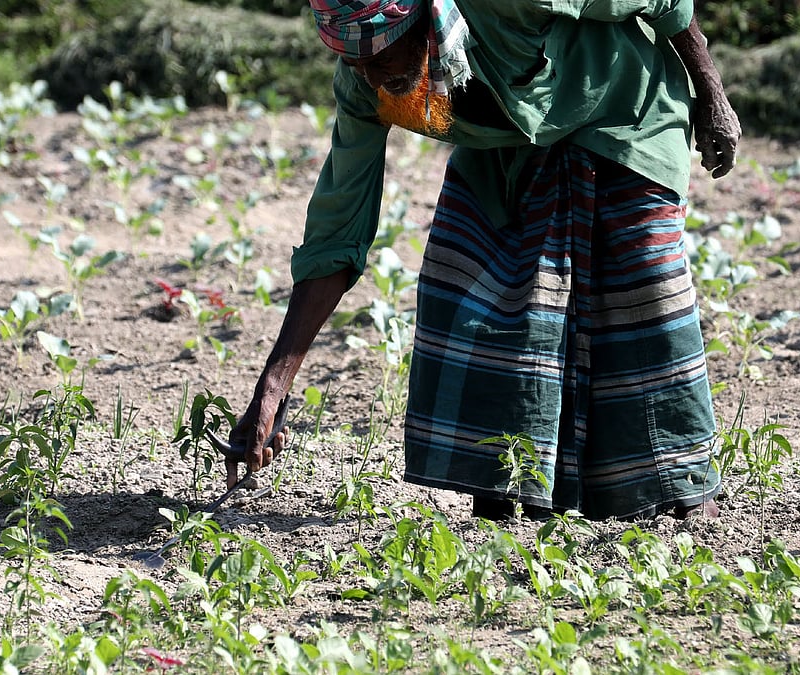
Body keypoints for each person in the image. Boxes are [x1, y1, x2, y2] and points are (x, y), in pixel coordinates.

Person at [226, 0, 741, 521]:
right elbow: (338, 229)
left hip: (623, 107)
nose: (373, 75)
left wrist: (713, 95)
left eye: (382, 57)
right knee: (470, 286)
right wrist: (275, 383)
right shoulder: (366, 80)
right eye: (356, 62)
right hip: (508, 143)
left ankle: (678, 489)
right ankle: (514, 492)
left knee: (638, 292)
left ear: (425, 21)